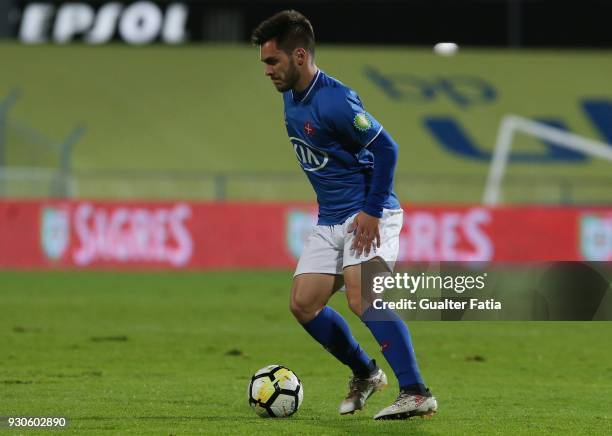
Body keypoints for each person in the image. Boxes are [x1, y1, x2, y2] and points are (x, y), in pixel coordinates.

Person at [251, 10, 437, 420]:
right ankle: (366, 373)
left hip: (369, 212)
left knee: (363, 297)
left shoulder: (335, 100)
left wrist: (371, 210)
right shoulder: (291, 96)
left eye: (272, 61)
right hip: (330, 219)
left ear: (299, 55)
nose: (267, 70)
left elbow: (388, 148)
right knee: (304, 304)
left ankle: (416, 392)